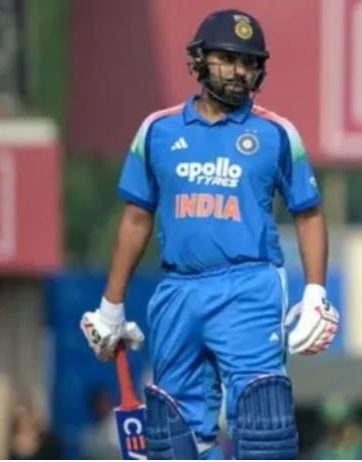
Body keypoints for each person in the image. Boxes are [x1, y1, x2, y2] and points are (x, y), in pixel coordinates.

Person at [79, 9, 339, 459]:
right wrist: (111, 306)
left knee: (263, 429)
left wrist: (316, 292)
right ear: (199, 60)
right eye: (227, 59)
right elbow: (137, 218)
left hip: (249, 288)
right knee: (173, 436)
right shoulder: (158, 130)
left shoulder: (276, 133)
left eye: (249, 62)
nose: (239, 71)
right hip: (178, 290)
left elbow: (309, 213)